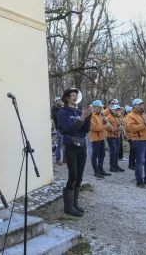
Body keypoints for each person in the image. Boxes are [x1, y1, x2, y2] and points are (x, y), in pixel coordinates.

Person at [58, 88, 92, 217]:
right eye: (72, 95)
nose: (74, 97)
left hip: (81, 146)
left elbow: (85, 129)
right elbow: (68, 129)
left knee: (80, 176)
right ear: (66, 98)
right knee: (73, 175)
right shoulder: (63, 112)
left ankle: (75, 203)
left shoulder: (78, 111)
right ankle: (68, 207)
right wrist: (83, 117)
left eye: (75, 95)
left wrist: (88, 118)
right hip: (71, 146)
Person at [126, 98, 146, 188]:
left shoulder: (145, 114)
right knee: (140, 161)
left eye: (142, 104)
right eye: (139, 104)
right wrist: (145, 124)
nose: (141, 106)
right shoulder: (130, 116)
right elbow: (131, 128)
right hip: (139, 141)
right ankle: (139, 180)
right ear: (134, 105)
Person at [89, 100, 112, 179]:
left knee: (102, 154)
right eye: (100, 107)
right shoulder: (91, 115)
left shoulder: (100, 115)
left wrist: (105, 122)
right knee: (95, 155)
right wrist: (105, 126)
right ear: (95, 107)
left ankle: (101, 169)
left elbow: (101, 125)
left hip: (101, 137)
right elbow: (94, 127)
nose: (101, 109)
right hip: (95, 138)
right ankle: (96, 172)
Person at [106, 105, 125, 172]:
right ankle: (112, 167)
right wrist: (117, 128)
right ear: (112, 110)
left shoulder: (118, 117)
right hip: (111, 137)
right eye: (116, 110)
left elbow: (123, 123)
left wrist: (122, 124)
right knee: (113, 152)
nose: (117, 111)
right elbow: (107, 128)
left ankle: (116, 166)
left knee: (117, 152)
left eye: (118, 110)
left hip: (118, 136)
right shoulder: (108, 117)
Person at [51, 97, 64, 165]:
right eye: (59, 101)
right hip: (59, 129)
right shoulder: (54, 109)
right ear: (56, 102)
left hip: (65, 128)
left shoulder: (61, 108)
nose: (60, 102)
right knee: (60, 145)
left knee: (66, 144)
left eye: (61, 101)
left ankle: (65, 159)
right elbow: (57, 117)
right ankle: (57, 159)